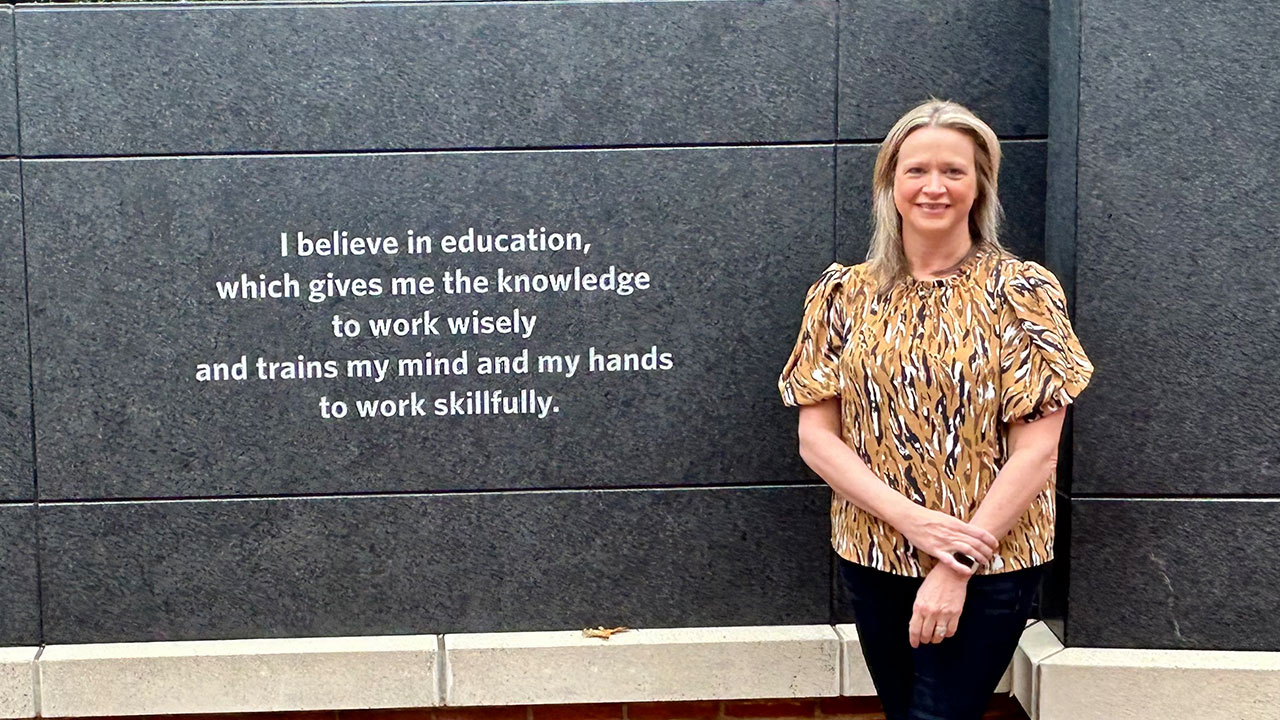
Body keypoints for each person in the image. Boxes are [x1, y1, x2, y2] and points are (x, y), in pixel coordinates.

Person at [777, 99, 1094, 720]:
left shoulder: (1021, 293)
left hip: (992, 559)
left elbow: (1038, 449)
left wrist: (956, 565)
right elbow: (817, 438)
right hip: (873, 551)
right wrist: (914, 524)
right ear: (889, 184)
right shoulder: (843, 294)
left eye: (954, 171)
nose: (934, 187)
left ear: (980, 186)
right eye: (916, 170)